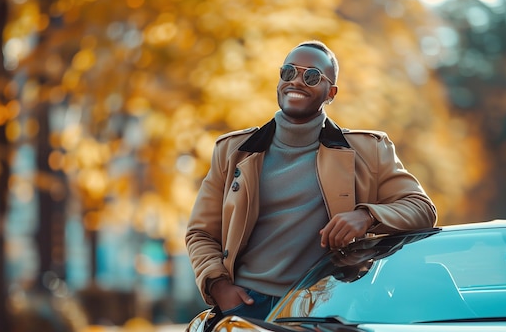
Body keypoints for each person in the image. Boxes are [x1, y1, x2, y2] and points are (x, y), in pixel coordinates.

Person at [185, 40, 437, 320]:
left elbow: (422, 209)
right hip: (245, 307)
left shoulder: (369, 151)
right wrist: (220, 287)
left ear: (330, 92)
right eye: (288, 72)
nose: (297, 82)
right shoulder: (233, 151)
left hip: (325, 308)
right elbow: (201, 233)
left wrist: (367, 216)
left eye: (312, 76)